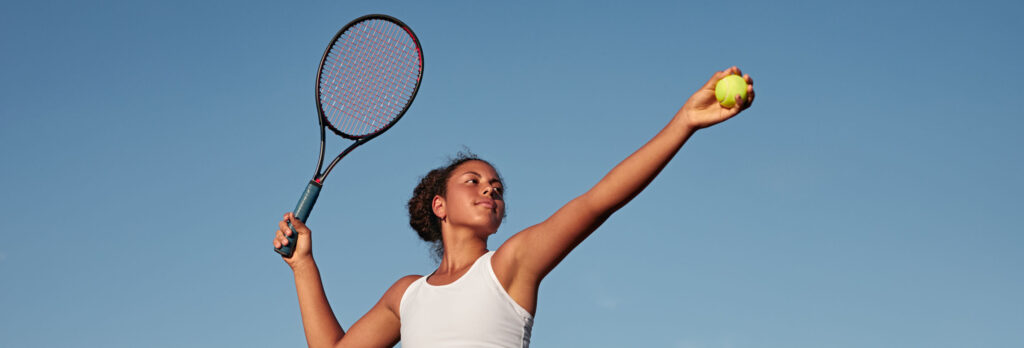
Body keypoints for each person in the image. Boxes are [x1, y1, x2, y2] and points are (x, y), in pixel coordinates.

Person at [273, 67, 755, 347]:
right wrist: (303, 265)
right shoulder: (406, 296)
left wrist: (682, 124)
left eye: (497, 187)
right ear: (439, 205)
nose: (490, 190)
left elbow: (599, 199)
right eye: (474, 181)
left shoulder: (510, 265)